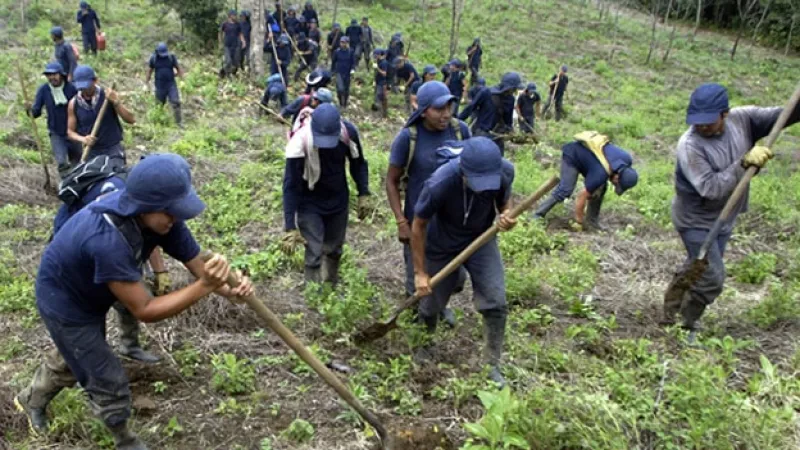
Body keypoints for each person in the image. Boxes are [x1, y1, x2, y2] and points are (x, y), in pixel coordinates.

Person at [14, 153, 255, 449]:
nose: (176, 218)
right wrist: (205, 286)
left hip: (97, 286)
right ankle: (123, 440)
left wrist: (229, 290)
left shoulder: (163, 219)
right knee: (106, 378)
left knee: (77, 354)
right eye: (170, 211)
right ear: (146, 205)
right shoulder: (106, 238)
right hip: (65, 300)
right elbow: (146, 310)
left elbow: (197, 264)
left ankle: (31, 395)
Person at [664, 83, 800, 332]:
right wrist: (744, 163)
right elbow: (710, 188)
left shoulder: (743, 119)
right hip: (695, 221)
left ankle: (672, 304)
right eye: (697, 121)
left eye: (708, 121)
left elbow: (787, 114)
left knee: (700, 265)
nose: (701, 126)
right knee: (713, 278)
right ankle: (685, 324)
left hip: (725, 217)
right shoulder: (690, 145)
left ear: (724, 113)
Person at [411, 136, 516, 387]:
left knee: (496, 300)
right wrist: (420, 272)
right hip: (442, 242)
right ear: (463, 172)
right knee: (430, 304)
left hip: (480, 239)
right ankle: (423, 346)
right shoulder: (440, 182)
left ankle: (492, 364)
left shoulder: (504, 172)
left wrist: (506, 215)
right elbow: (418, 225)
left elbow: (505, 202)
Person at [53, 155, 171, 363]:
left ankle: (129, 346)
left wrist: (160, 271)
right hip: (74, 246)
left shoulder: (143, 196)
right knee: (90, 308)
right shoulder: (117, 190)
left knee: (129, 295)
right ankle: (83, 361)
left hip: (102, 242)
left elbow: (147, 232)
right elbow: (110, 235)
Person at [387, 81, 471, 326]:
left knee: (456, 277)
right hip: (418, 220)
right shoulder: (409, 138)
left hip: (451, 222)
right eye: (439, 109)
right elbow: (391, 181)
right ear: (424, 110)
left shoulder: (460, 131)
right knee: (417, 277)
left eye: (449, 107)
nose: (446, 114)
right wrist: (401, 221)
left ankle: (437, 305)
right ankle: (418, 318)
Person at [281, 104, 371, 285]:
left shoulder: (348, 133)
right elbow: (291, 184)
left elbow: (358, 163)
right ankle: (313, 294)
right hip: (309, 201)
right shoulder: (300, 142)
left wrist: (363, 192)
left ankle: (330, 284)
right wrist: (290, 226)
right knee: (313, 250)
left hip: (338, 198)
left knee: (335, 248)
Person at [533, 132, 639, 231]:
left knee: (601, 188)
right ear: (617, 176)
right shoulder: (600, 174)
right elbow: (581, 196)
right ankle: (537, 215)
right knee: (565, 189)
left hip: (588, 158)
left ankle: (592, 222)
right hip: (572, 155)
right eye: (616, 183)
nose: (614, 183)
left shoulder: (626, 159)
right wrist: (579, 222)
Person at [67, 65, 135, 164]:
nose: (84, 92)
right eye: (81, 88)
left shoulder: (108, 97)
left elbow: (131, 119)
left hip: (112, 149)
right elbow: (69, 132)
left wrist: (116, 102)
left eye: (87, 87)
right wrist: (83, 139)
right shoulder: (73, 104)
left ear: (95, 81)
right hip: (91, 151)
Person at [27, 62, 81, 175]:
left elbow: (81, 109)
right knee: (62, 163)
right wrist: (29, 109)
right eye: (49, 75)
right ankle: (66, 186)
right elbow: (36, 112)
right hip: (56, 133)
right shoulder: (44, 90)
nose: (52, 77)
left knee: (78, 164)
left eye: (54, 74)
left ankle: (79, 187)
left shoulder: (72, 88)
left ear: (61, 75)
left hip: (74, 132)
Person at [459, 72, 523, 155]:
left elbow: (508, 120)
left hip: (498, 136)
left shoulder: (510, 99)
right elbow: (471, 107)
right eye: (513, 88)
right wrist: (458, 120)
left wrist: (511, 132)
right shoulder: (486, 93)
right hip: (482, 133)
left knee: (498, 162)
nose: (514, 91)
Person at [145, 42, 184, 128]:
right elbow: (149, 70)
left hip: (171, 84)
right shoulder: (153, 58)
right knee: (159, 105)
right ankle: (159, 123)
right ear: (157, 52)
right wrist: (146, 83)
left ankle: (179, 123)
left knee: (176, 102)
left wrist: (181, 79)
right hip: (160, 85)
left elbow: (178, 67)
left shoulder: (171, 57)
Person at [219, 9, 246, 78]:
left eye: (236, 15)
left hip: (235, 45)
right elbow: (220, 33)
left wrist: (243, 42)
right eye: (234, 15)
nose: (235, 17)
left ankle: (231, 73)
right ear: (230, 16)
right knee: (228, 61)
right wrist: (220, 42)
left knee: (236, 63)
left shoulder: (237, 24)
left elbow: (240, 34)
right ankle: (226, 74)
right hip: (227, 45)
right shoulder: (225, 24)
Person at [331, 36, 355, 108]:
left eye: (344, 42)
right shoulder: (337, 51)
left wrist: (353, 69)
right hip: (339, 72)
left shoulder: (350, 52)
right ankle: (340, 102)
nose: (343, 44)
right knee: (340, 89)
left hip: (347, 73)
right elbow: (333, 62)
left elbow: (353, 62)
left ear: (347, 43)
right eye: (341, 42)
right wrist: (332, 71)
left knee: (346, 89)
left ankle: (344, 104)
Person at [372, 49, 389, 118]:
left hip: (382, 83)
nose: (375, 56)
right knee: (379, 97)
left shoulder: (384, 63)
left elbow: (384, 74)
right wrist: (374, 81)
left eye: (376, 55)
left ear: (379, 55)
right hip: (378, 82)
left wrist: (377, 68)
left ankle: (379, 114)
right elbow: (376, 73)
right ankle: (382, 114)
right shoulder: (377, 61)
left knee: (378, 97)